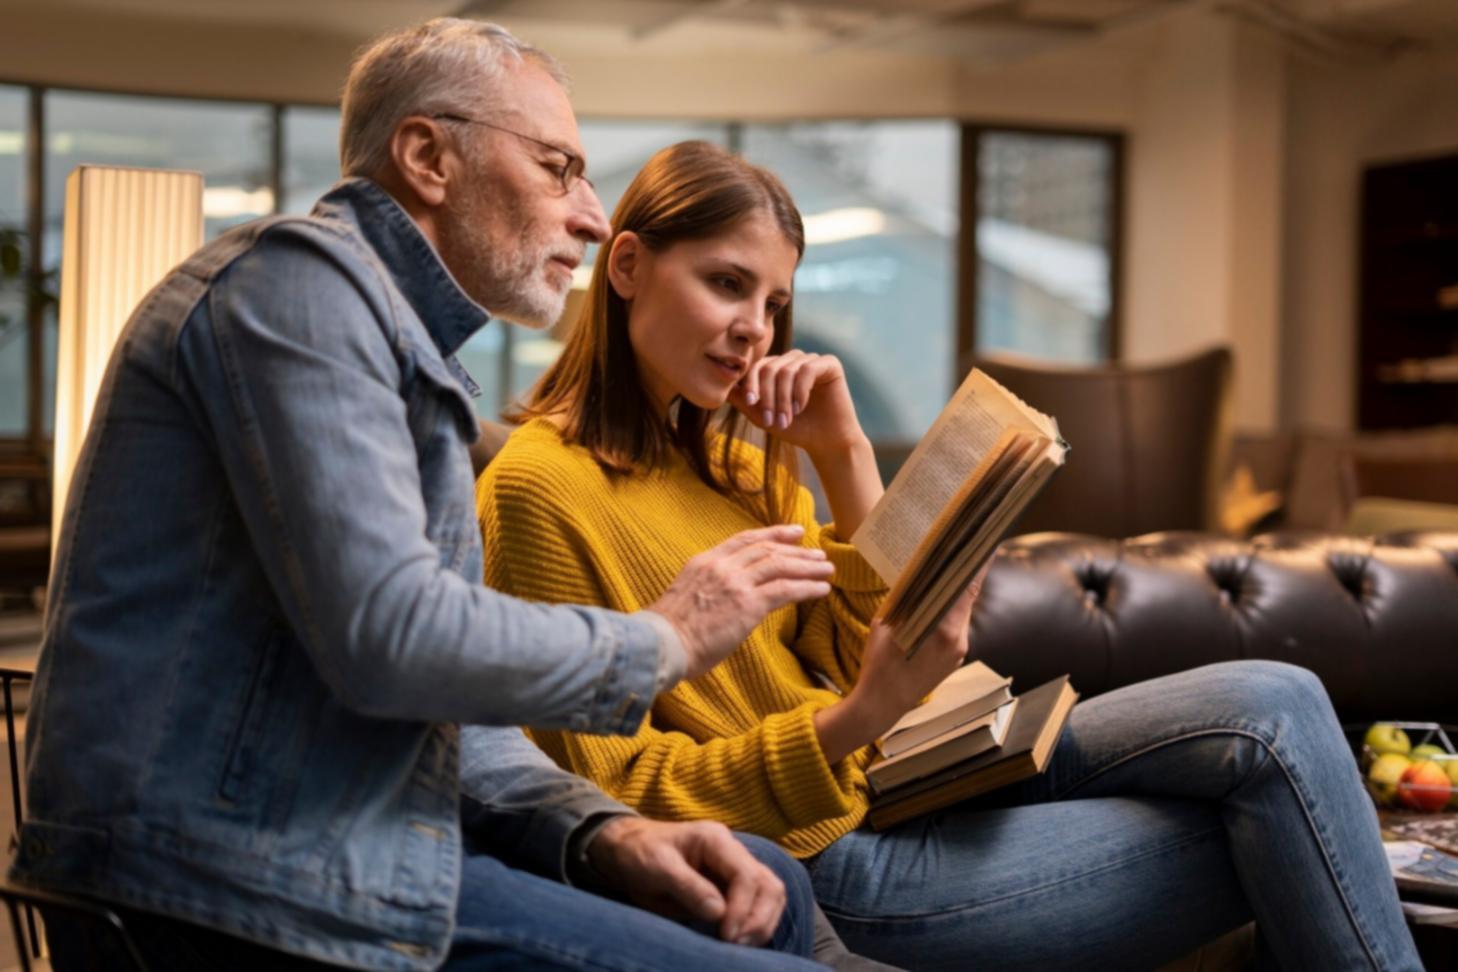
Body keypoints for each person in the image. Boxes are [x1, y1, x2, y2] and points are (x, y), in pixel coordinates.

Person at [11, 20, 841, 972]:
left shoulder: (409, 355)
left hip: (336, 845)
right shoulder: (294, 285)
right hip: (215, 883)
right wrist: (668, 638)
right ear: (427, 156)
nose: (595, 215)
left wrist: (597, 830)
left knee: (769, 892)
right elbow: (389, 636)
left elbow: (449, 710)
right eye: (559, 166)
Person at [476, 139, 1425, 970]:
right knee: (1292, 834)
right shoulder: (536, 491)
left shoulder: (737, 460)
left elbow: (855, 651)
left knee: (1282, 700)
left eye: (773, 301)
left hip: (917, 772)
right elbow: (616, 799)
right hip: (830, 858)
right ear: (629, 266)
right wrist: (859, 718)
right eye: (727, 283)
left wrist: (845, 454)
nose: (755, 328)